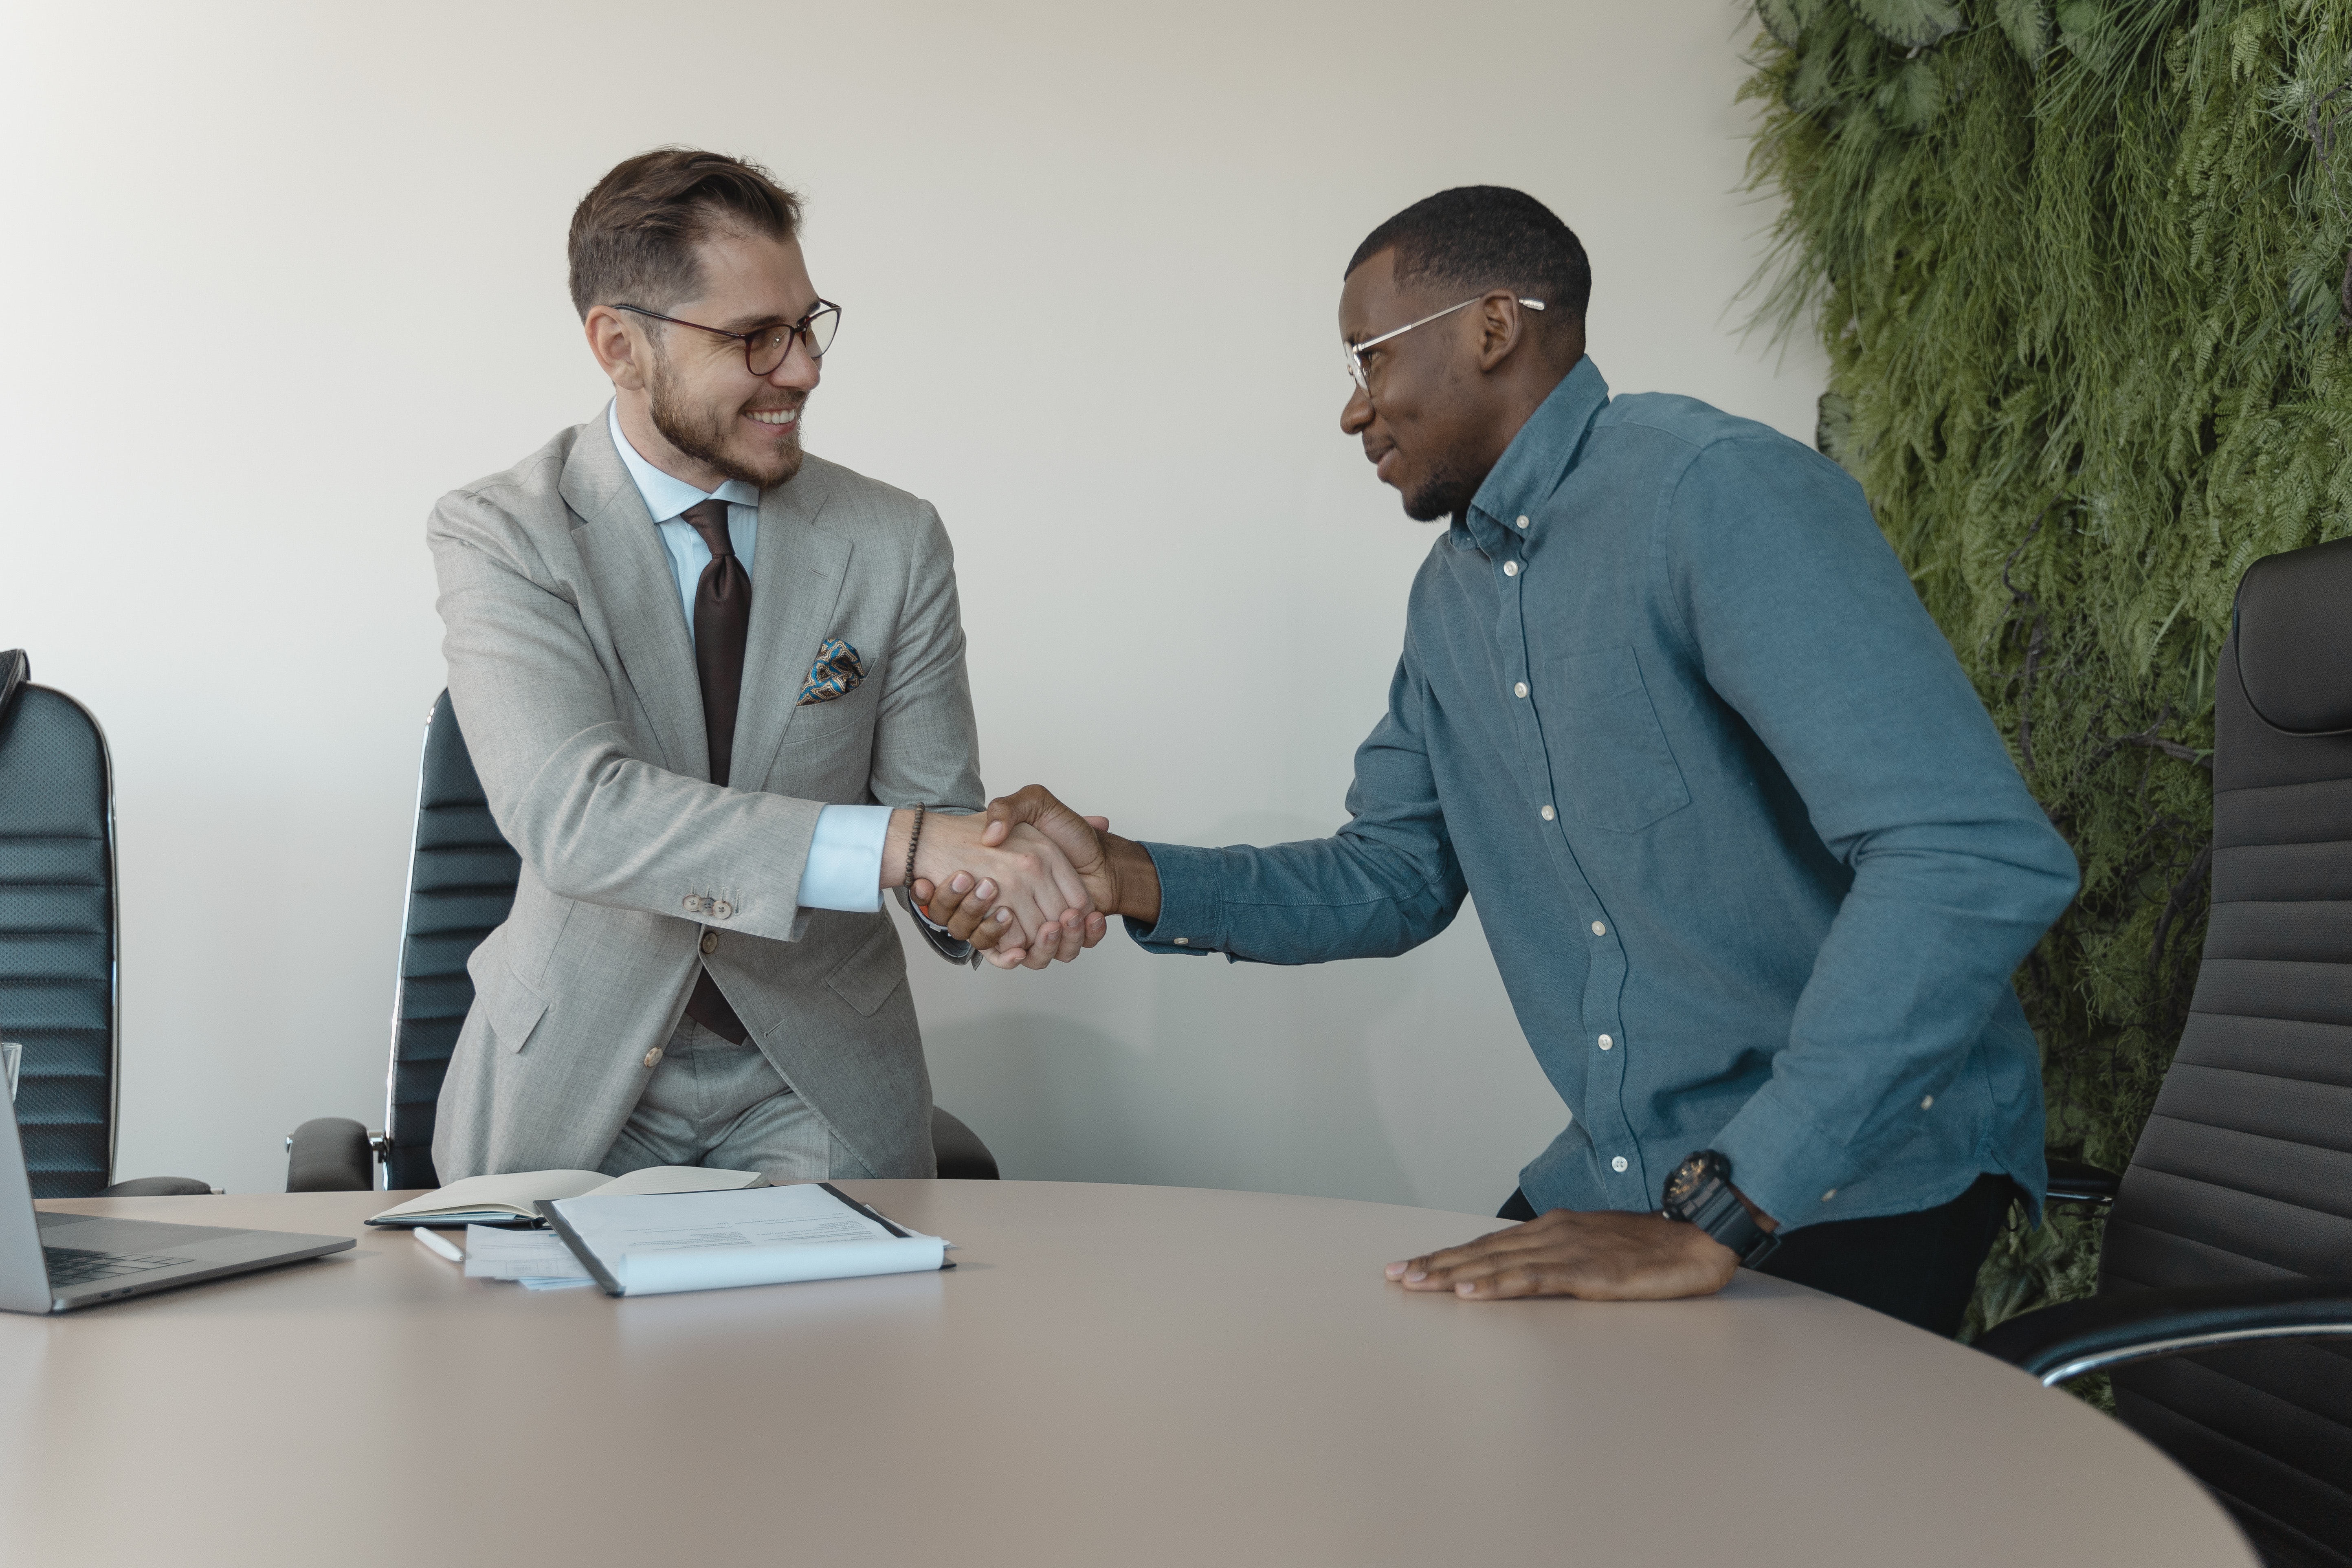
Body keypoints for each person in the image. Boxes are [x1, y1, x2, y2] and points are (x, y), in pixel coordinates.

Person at [917, 186, 2079, 1335]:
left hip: (1847, 1170)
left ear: (1489, 326)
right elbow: (1392, 875)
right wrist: (1123, 873)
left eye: (1364, 359)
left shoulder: (1711, 491)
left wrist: (1729, 1205)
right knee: (1427, 1413)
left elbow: (1966, 855)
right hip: (1634, 1173)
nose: (1350, 412)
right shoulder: (1451, 599)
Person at [426, 148, 1101, 1185]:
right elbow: (574, 814)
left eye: (807, 324)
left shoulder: (893, 538)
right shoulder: (505, 532)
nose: (804, 369)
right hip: (573, 1071)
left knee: (836, 1351)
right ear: (620, 346)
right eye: (754, 338)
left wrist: (983, 890)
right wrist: (913, 845)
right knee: (538, 1350)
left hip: (817, 1072)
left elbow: (934, 813)